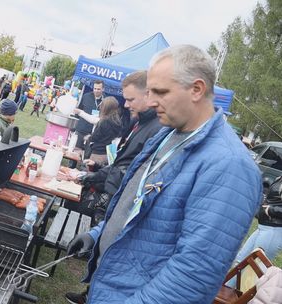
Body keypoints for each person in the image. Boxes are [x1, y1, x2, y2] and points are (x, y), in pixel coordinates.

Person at [66, 45, 263, 303]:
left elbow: (193, 275)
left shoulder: (229, 165)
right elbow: (136, 204)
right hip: (112, 288)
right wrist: (98, 233)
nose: (150, 101)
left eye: (160, 92)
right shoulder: (168, 134)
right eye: (149, 92)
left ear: (197, 89)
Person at [64, 71, 162, 304]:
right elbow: (122, 162)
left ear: (148, 95)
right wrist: (91, 177)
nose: (125, 104)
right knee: (103, 243)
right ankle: (90, 294)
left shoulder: (156, 129)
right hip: (114, 191)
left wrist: (97, 177)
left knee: (109, 250)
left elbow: (133, 173)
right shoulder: (141, 123)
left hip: (120, 196)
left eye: (130, 99)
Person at [234, 176, 282, 264]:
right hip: (264, 227)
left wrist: (271, 210)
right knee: (240, 262)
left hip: (273, 230)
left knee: (256, 267)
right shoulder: (279, 178)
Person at [75, 97, 123, 164]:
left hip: (98, 153)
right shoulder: (118, 122)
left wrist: (88, 138)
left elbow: (95, 137)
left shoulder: (103, 122)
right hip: (110, 153)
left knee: (91, 172)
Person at [75, 80, 104, 150]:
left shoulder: (105, 101)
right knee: (75, 151)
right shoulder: (86, 96)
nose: (96, 91)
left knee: (87, 156)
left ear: (103, 89)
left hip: (93, 134)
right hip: (81, 130)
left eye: (98, 89)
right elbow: (79, 110)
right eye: (95, 88)